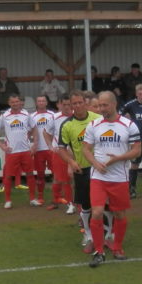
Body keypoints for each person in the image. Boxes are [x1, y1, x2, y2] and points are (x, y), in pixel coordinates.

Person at [82, 91, 142, 266]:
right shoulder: (94, 125)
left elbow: (137, 150)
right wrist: (95, 163)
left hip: (120, 177)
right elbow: (86, 149)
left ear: (114, 104)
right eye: (99, 105)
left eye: (104, 105)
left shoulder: (128, 125)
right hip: (98, 177)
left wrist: (116, 159)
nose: (101, 109)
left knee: (119, 213)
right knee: (98, 212)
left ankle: (117, 247)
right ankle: (99, 251)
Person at [56, 91, 101, 252]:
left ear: (85, 103)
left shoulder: (97, 119)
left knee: (105, 204)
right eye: (74, 103)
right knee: (86, 205)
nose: (77, 106)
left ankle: (108, 234)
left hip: (101, 168)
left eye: (80, 102)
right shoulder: (67, 124)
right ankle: (88, 235)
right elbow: (61, 148)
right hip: (82, 169)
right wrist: (71, 162)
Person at [0, 93, 35, 209]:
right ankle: (8, 200)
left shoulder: (26, 114)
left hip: (26, 150)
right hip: (12, 151)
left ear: (19, 102)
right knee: (9, 176)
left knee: (30, 174)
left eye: (17, 102)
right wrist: (2, 146)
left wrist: (34, 145)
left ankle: (32, 199)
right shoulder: (4, 116)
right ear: (9, 103)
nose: (15, 104)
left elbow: (34, 128)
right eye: (13, 102)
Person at [48, 94, 74, 212]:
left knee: (74, 178)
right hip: (60, 152)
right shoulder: (54, 117)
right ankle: (65, 202)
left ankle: (76, 202)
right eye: (64, 105)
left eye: (69, 104)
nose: (67, 107)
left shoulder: (76, 116)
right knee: (60, 178)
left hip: (76, 153)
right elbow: (46, 132)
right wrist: (50, 146)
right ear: (60, 105)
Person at [30, 95, 57, 206]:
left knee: (56, 174)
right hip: (39, 150)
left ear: (46, 102)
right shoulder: (31, 116)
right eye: (39, 101)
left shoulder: (53, 115)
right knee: (40, 175)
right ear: (36, 103)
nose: (41, 103)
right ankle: (40, 196)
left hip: (51, 149)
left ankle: (57, 196)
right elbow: (28, 131)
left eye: (43, 101)